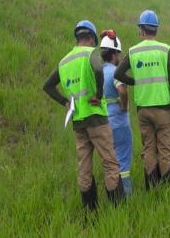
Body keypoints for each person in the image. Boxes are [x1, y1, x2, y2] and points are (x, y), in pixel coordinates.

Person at [43, 20, 124, 211]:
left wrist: (65, 102)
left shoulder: (64, 61)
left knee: (84, 167)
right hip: (97, 119)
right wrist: (98, 95)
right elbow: (98, 71)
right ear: (92, 39)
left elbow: (47, 86)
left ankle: (90, 212)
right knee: (110, 163)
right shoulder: (92, 53)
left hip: (78, 122)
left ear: (77, 37)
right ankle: (118, 210)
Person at [115, 10, 170, 190]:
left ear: (142, 29)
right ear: (156, 30)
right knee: (165, 149)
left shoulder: (134, 51)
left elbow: (118, 73)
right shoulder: (164, 49)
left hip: (143, 110)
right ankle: (167, 190)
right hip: (163, 109)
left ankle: (152, 188)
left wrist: (134, 82)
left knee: (149, 148)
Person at [99, 29, 133, 196]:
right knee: (123, 160)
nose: (119, 57)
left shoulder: (97, 72)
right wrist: (124, 107)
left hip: (103, 123)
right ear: (113, 54)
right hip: (119, 122)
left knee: (109, 161)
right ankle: (125, 195)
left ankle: (111, 194)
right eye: (118, 53)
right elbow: (122, 91)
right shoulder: (115, 71)